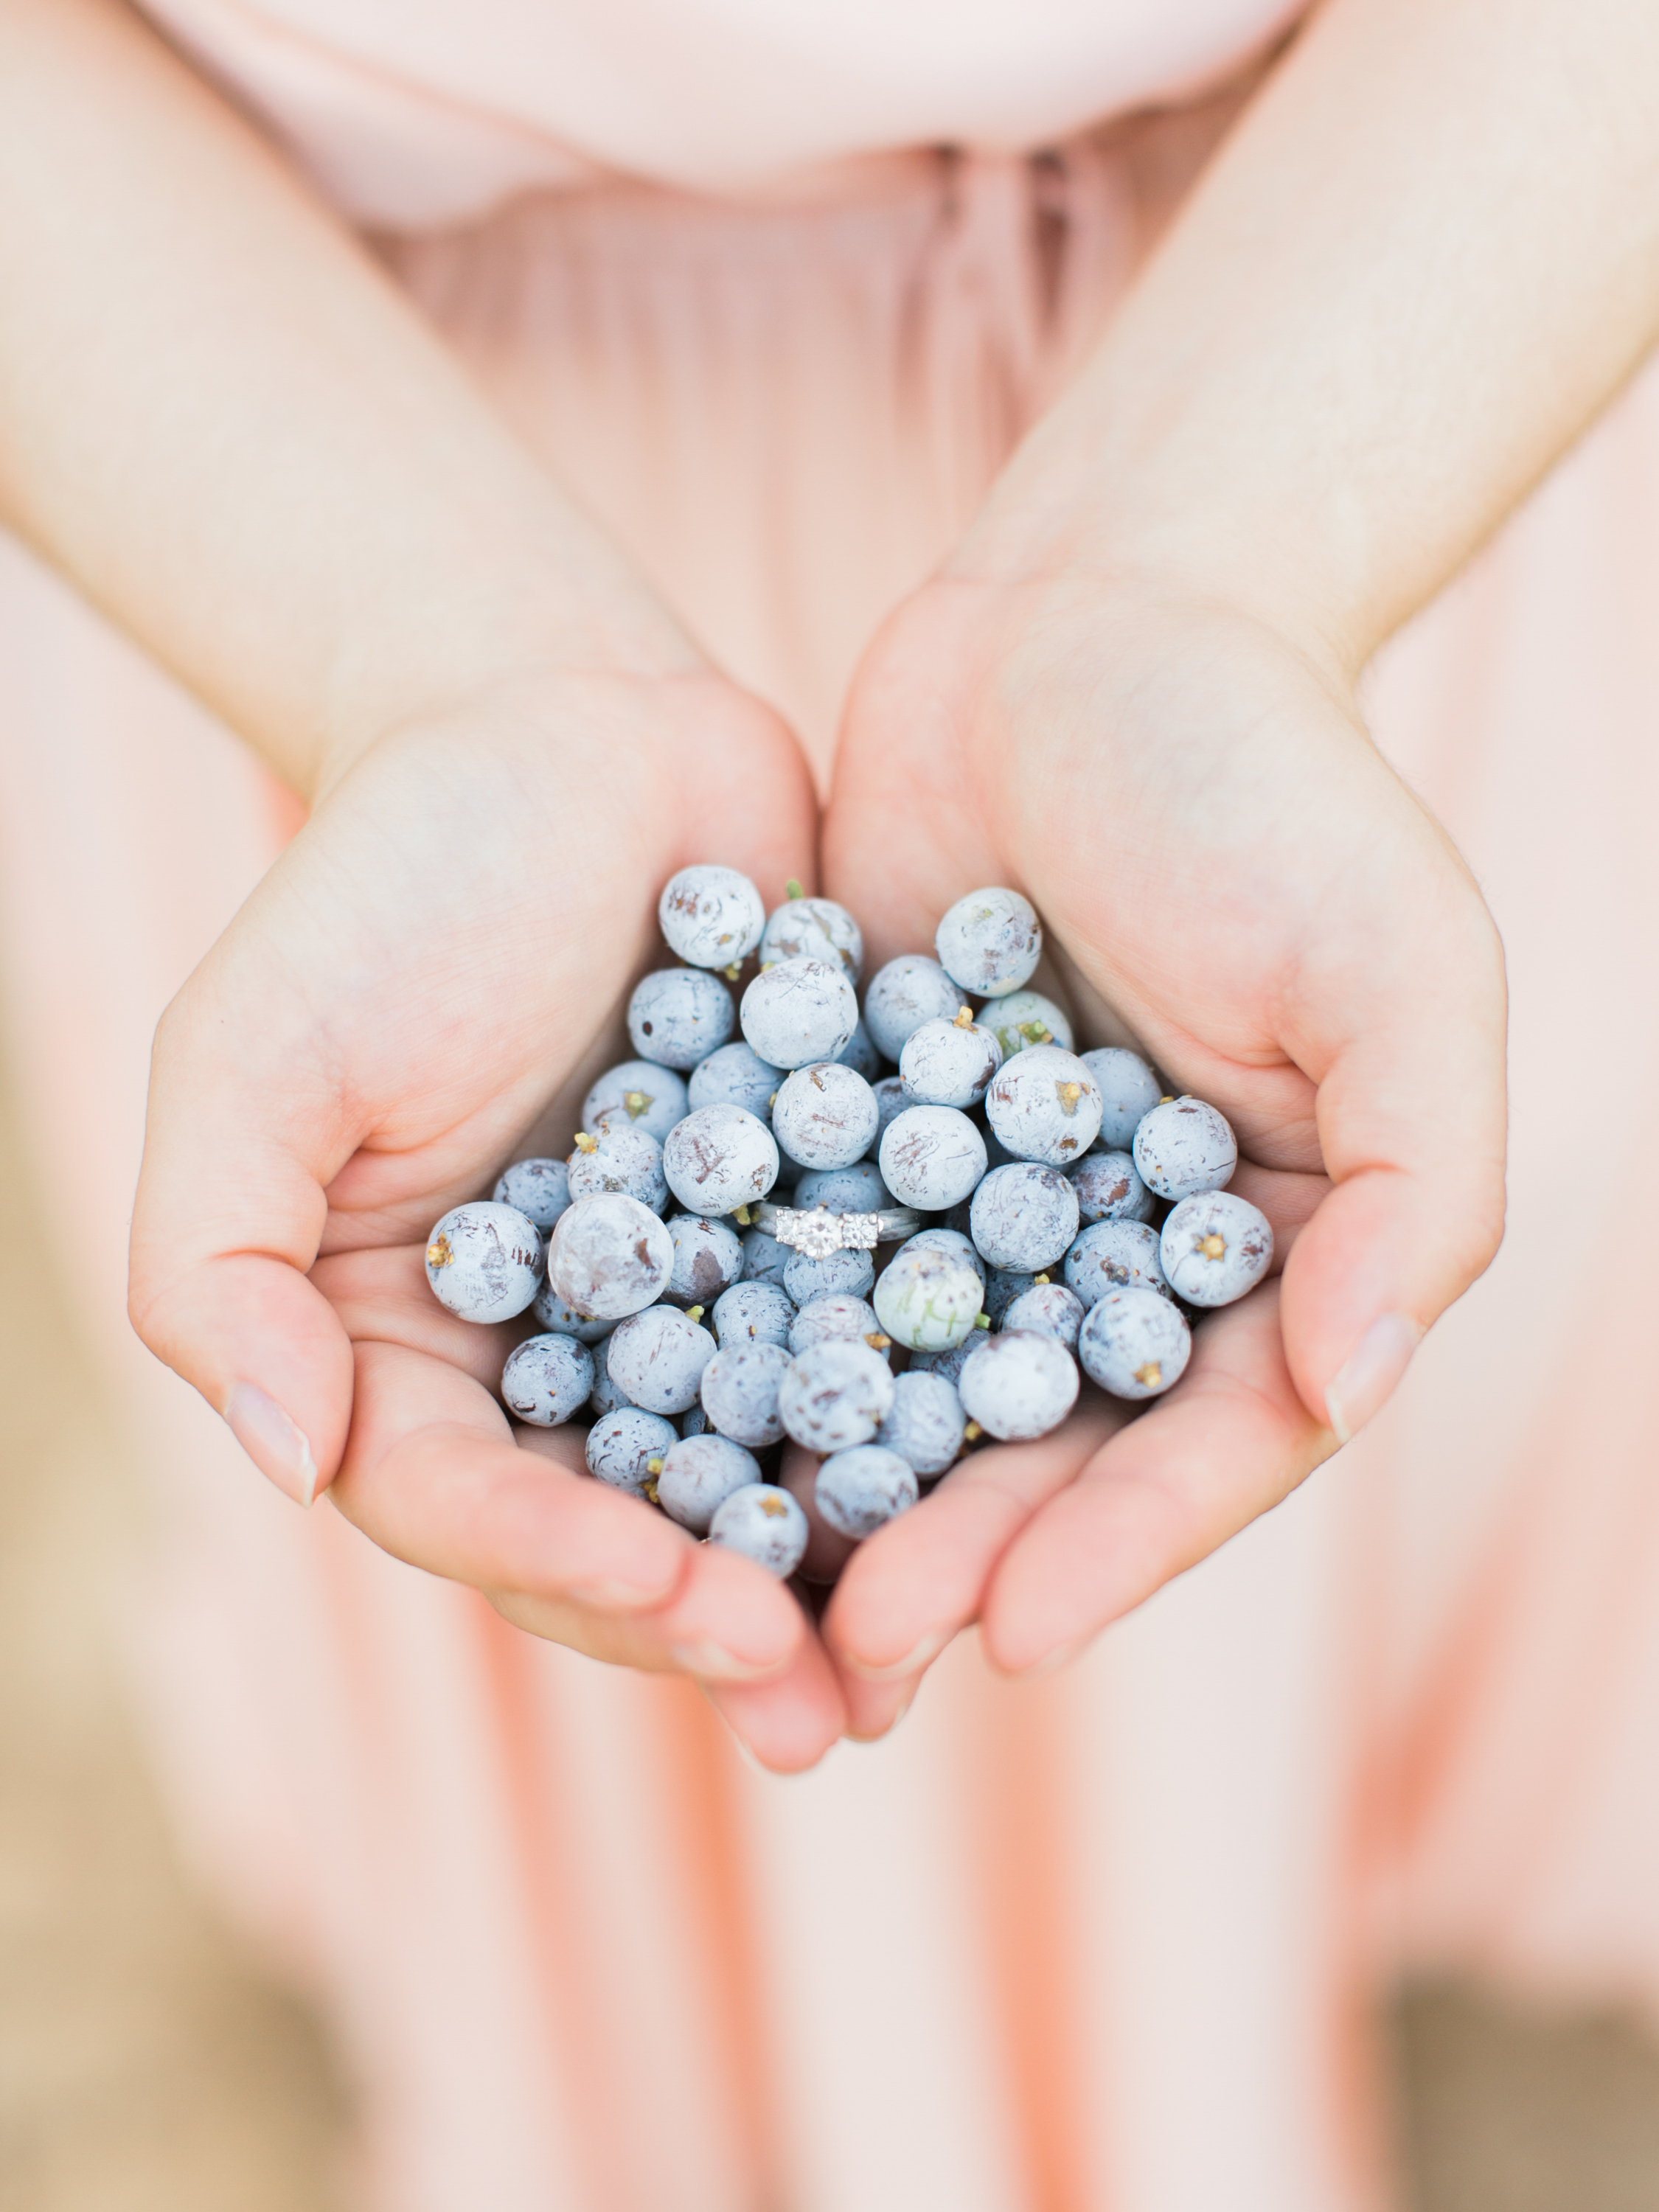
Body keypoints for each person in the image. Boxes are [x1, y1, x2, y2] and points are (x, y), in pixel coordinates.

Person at [1, 0, 1657, 2204]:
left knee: (1344, 1455)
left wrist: (1211, 557)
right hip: (264, 458)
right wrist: (413, 642)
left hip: (1362, 343)